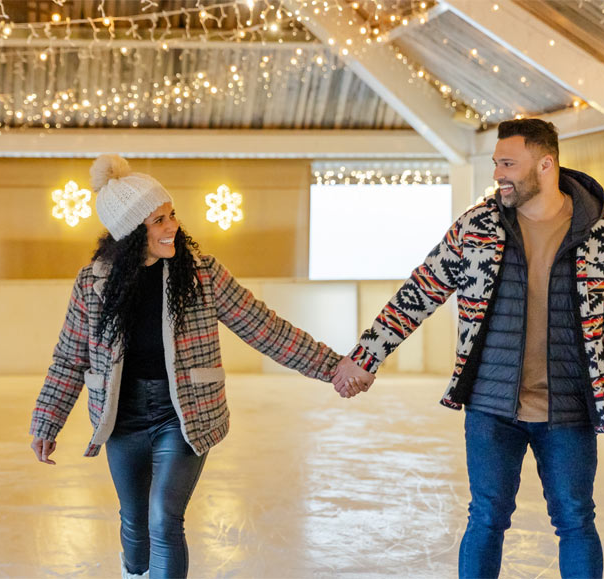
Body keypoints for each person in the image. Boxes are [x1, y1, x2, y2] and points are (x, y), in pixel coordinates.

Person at [333, 118, 604, 578]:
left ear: (545, 164)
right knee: (486, 518)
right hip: (491, 405)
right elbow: (419, 293)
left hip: (570, 409)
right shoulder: (477, 227)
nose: (498, 173)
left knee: (577, 521)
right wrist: (365, 357)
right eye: (496, 162)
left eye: (508, 163)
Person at [29, 154, 363, 579]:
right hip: (122, 419)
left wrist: (333, 366)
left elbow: (263, 327)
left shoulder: (200, 274)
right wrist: (46, 421)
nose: (172, 227)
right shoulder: (93, 283)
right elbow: (69, 356)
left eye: (171, 215)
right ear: (130, 233)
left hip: (183, 415)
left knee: (164, 518)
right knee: (134, 522)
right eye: (157, 221)